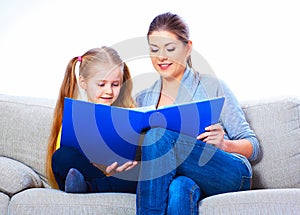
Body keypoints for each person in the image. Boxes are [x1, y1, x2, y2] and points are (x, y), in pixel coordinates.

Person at [135, 12, 260, 214]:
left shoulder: (212, 86)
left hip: (227, 171)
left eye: (170, 48)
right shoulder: (143, 98)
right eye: (154, 49)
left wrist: (224, 144)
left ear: (187, 48)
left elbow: (253, 146)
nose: (161, 57)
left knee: (157, 135)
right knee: (179, 188)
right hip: (183, 176)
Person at [46, 46, 138, 193]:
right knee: (61, 157)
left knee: (148, 171)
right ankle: (91, 184)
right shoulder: (75, 116)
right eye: (101, 84)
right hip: (86, 172)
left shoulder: (131, 113)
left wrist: (125, 167)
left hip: (119, 176)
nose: (109, 91)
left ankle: (88, 188)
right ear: (83, 82)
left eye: (115, 84)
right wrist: (101, 169)